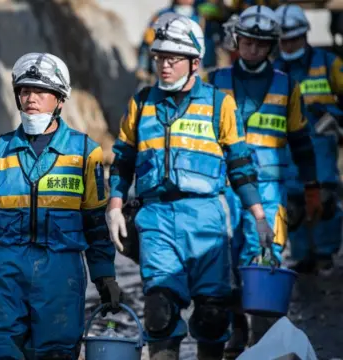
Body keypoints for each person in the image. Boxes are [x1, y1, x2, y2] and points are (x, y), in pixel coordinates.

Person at [107, 13, 267, 360]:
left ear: (195, 62)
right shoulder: (141, 103)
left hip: (207, 217)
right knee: (159, 312)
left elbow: (240, 164)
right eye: (160, 57)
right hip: (157, 218)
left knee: (213, 315)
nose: (164, 65)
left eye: (173, 59)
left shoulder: (219, 104)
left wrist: (258, 216)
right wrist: (115, 207)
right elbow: (122, 160)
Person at [0, 52, 120, 360]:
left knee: (55, 352)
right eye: (24, 90)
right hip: (7, 270)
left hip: (60, 273)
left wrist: (105, 276)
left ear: (60, 99)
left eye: (40, 91)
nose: (30, 97)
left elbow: (94, 224)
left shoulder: (84, 152)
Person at [206, 5, 321, 356]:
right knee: (224, 261)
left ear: (270, 46)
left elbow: (301, 140)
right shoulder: (215, 82)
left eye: (260, 44)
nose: (253, 49)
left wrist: (312, 186)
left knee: (263, 261)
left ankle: (261, 341)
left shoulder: (288, 86)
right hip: (223, 188)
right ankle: (236, 331)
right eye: (247, 42)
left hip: (270, 192)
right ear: (236, 41)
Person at [274, 4, 343, 274]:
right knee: (294, 206)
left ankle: (326, 254)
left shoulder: (328, 63)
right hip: (288, 150)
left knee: (324, 201)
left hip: (320, 146)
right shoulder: (274, 69)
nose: (289, 45)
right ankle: (302, 257)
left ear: (305, 35)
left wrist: (336, 118)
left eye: (294, 39)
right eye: (284, 40)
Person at [138, 0, 217, 84]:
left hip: (196, 73)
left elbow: (209, 46)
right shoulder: (162, 16)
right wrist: (143, 67)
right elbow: (147, 43)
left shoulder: (202, 17)